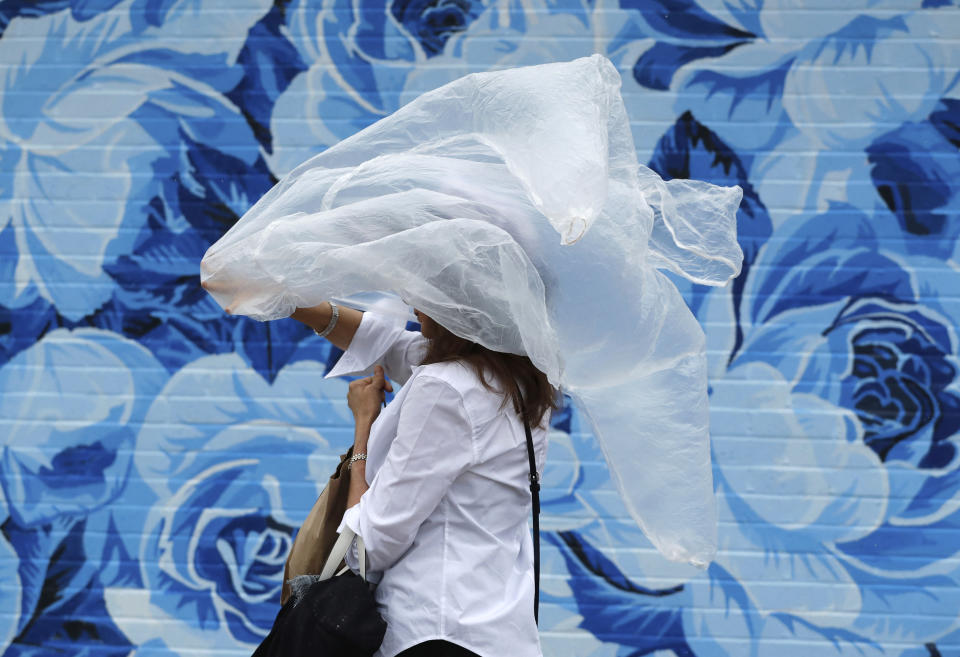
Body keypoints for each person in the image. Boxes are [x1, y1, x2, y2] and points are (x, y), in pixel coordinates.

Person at [291, 300, 557, 657]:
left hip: (432, 628)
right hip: (499, 632)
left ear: (462, 304)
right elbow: (391, 346)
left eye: (431, 291)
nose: (413, 302)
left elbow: (370, 544)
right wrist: (292, 303)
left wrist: (363, 427)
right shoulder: (523, 381)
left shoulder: (446, 388)